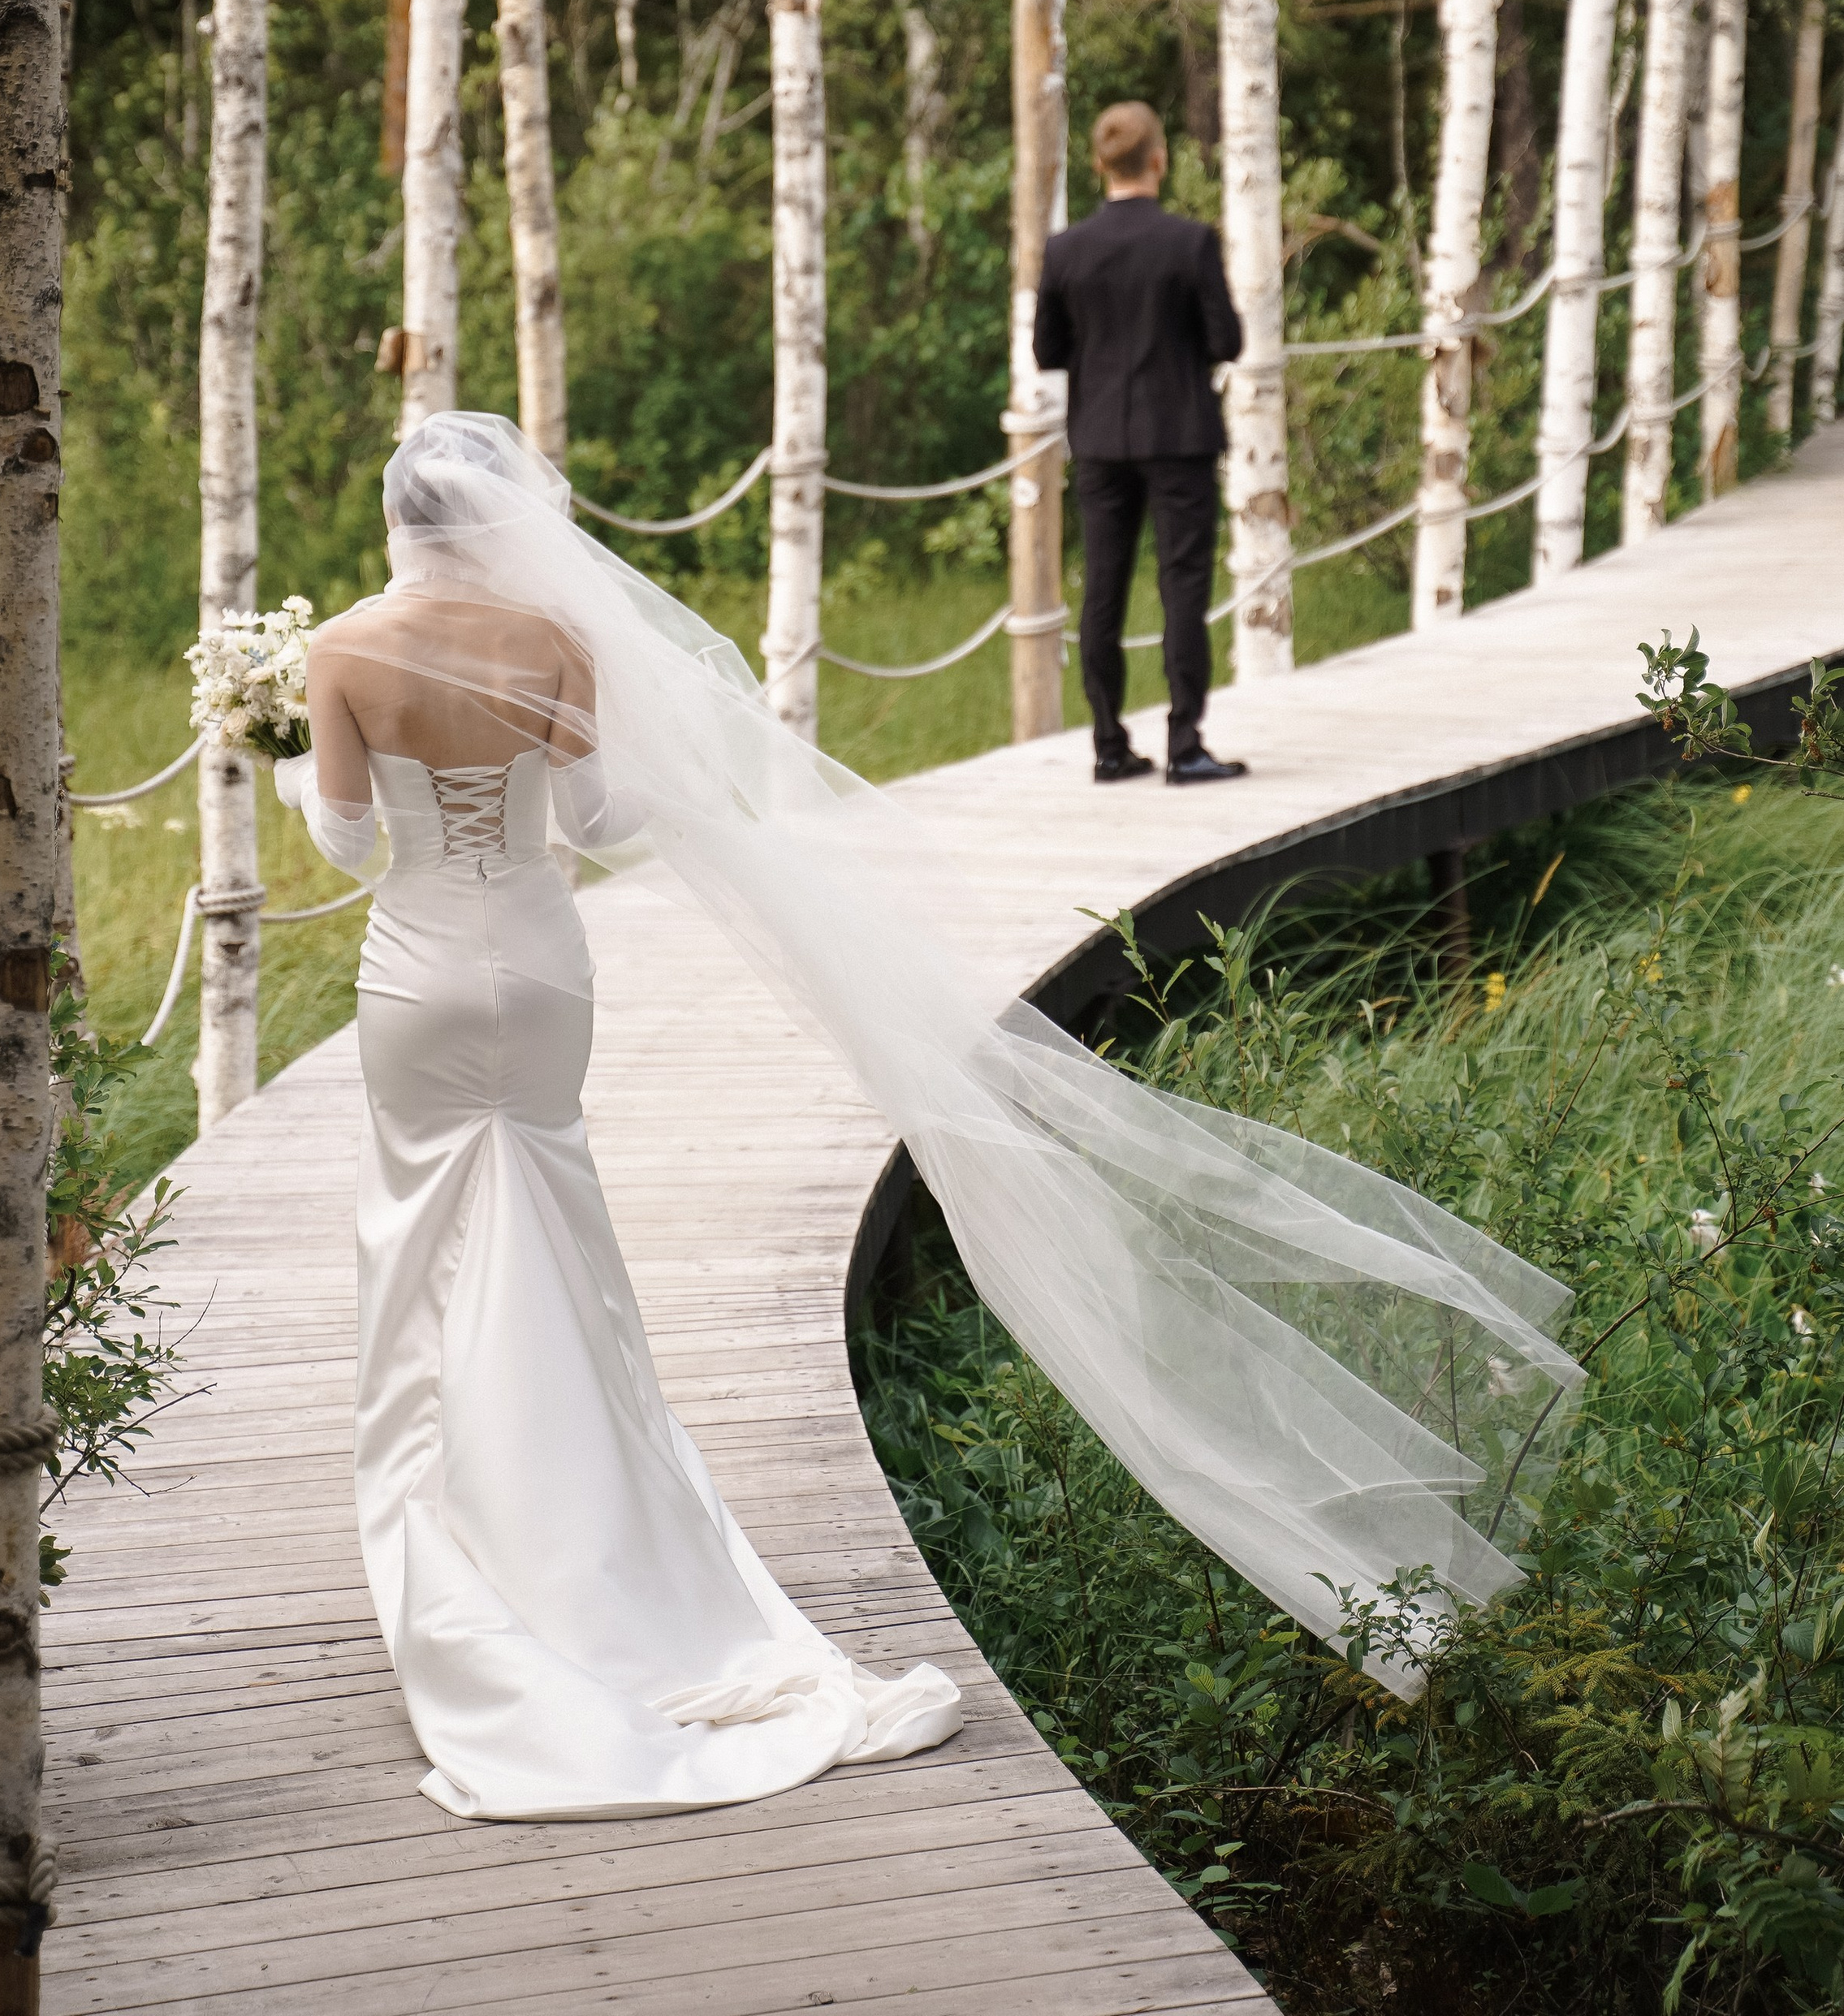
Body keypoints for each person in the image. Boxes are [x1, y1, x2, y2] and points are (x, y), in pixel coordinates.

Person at [275, 412, 1583, 1818]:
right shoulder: (553, 646)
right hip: (535, 967)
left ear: (396, 520)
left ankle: (458, 1530)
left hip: (415, 972)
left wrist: (291, 762)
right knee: (559, 1237)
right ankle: (597, 1531)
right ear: (504, 517)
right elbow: (596, 825)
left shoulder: (341, 651)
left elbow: (350, 843)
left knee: (421, 1239)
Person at [1034, 99, 1249, 788]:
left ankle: (1107, 743)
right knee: (1182, 585)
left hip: (1099, 436)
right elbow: (1227, 342)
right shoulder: (1189, 242)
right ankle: (1185, 744)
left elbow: (1047, 350)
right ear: (1160, 159)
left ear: (1099, 166)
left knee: (1103, 588)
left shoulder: (1065, 250)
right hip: (1179, 432)